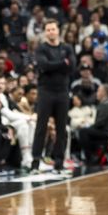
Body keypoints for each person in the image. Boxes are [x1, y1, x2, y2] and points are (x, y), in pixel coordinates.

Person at [32, 19, 75, 172]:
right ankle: (35, 161)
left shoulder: (67, 47)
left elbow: (72, 67)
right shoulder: (41, 48)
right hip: (46, 91)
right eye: (48, 29)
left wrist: (54, 65)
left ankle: (59, 162)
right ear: (45, 32)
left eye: (53, 29)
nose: (51, 32)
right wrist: (62, 64)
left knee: (61, 128)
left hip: (62, 92)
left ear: (58, 30)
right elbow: (43, 65)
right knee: (41, 127)